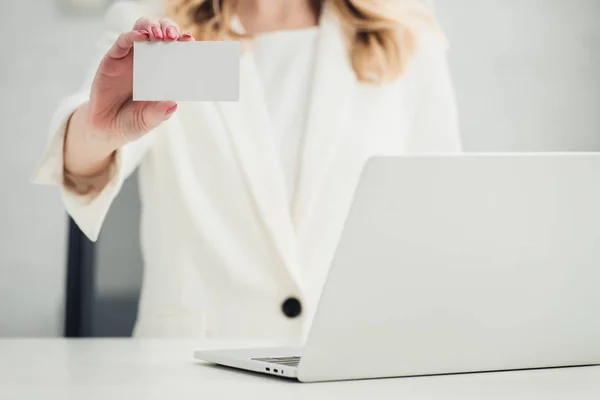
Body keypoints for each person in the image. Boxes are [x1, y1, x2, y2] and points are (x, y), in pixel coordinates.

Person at [32, 0, 461, 341]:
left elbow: (440, 213)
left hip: (352, 363)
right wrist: (98, 129)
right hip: (192, 369)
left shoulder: (402, 34)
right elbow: (85, 162)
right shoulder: (169, 29)